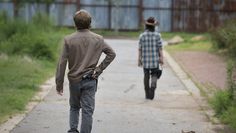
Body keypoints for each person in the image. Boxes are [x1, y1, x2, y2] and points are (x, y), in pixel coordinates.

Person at [55, 10, 116, 133]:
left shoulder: (68, 40)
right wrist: (98, 70)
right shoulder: (98, 39)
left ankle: (73, 130)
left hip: (74, 81)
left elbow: (62, 63)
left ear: (75, 24)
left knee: (74, 107)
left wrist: (59, 83)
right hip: (90, 79)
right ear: (90, 23)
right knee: (87, 111)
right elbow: (111, 54)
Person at [138, 17, 164, 100]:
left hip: (145, 60)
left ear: (146, 26)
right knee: (154, 75)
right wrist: (162, 58)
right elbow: (160, 48)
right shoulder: (158, 35)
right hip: (154, 60)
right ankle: (153, 86)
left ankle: (147, 93)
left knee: (146, 76)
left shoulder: (142, 36)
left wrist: (139, 59)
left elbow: (140, 48)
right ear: (154, 26)